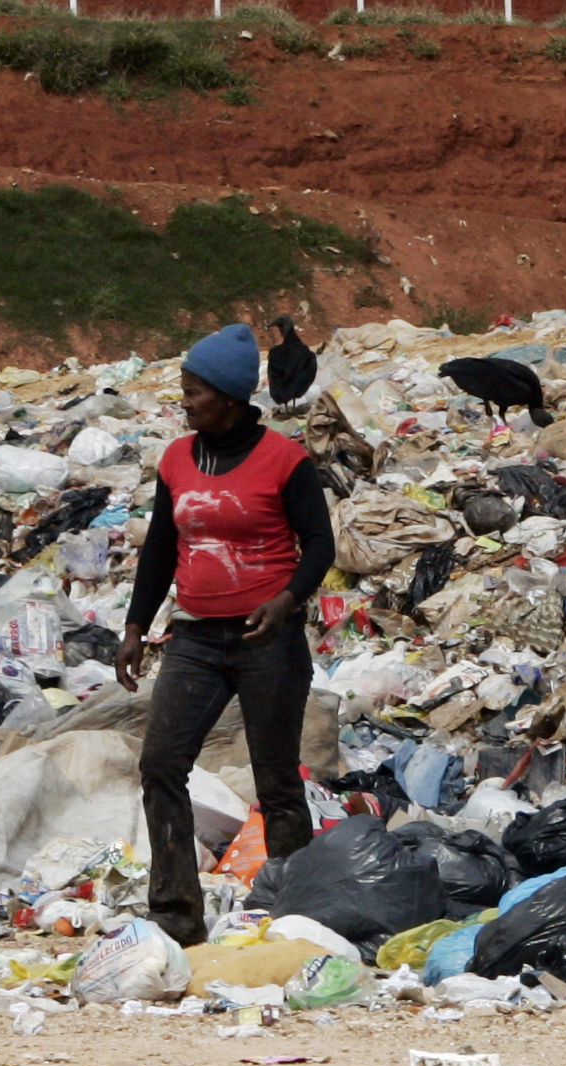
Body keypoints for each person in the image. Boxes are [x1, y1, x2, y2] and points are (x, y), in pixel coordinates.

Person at [119, 323, 338, 947]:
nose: (184, 401)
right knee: (161, 762)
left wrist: (287, 599)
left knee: (276, 779)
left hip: (266, 637)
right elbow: (161, 547)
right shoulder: (175, 460)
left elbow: (319, 543)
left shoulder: (285, 460)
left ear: (231, 395)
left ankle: (299, 912)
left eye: (194, 391)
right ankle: (175, 909)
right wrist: (137, 625)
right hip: (194, 638)